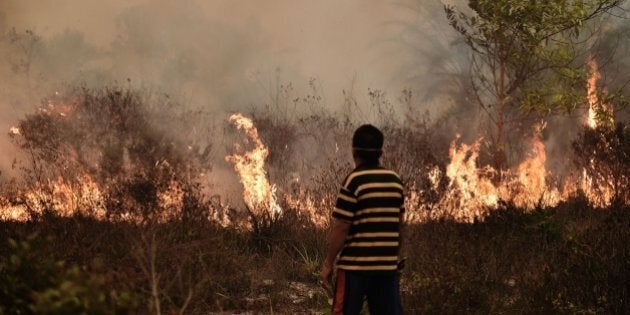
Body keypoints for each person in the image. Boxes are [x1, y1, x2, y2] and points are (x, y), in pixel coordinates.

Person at [320, 124, 404, 315]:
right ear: (381, 152)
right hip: (386, 270)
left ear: (354, 151)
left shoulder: (353, 181)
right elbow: (399, 225)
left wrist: (328, 263)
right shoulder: (395, 181)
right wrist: (392, 257)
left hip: (354, 270)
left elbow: (341, 227)